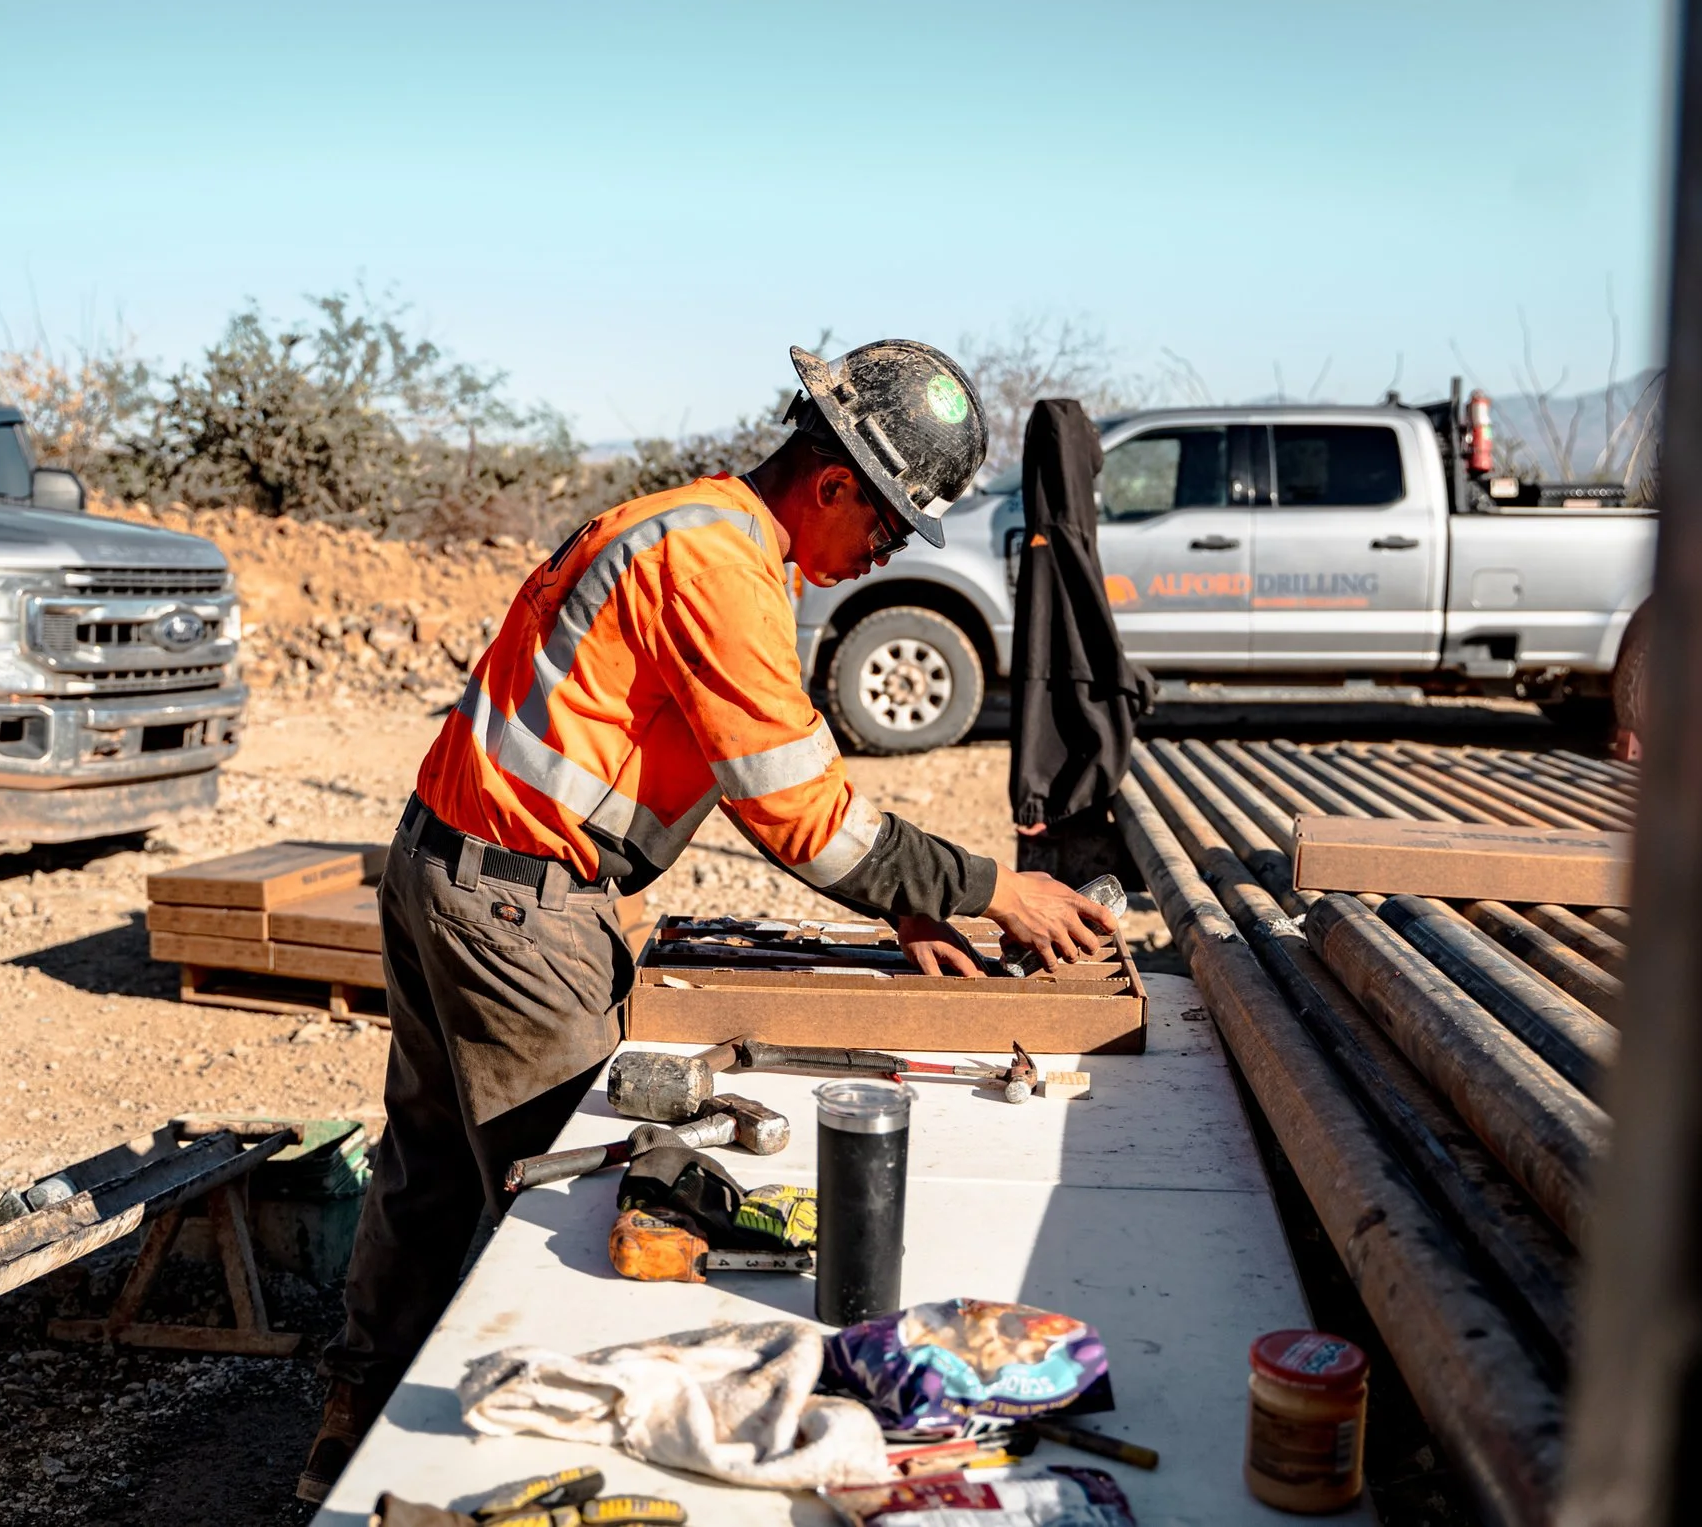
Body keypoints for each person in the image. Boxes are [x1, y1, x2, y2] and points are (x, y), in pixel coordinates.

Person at [297, 340, 1121, 1502]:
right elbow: (805, 820)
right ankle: (537, 1455)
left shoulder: (693, 531)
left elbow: (747, 779)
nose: (873, 560)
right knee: (577, 1208)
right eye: (883, 531)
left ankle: (351, 1424)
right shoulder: (720, 566)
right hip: (516, 911)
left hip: (451, 866)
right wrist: (994, 887)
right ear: (832, 481)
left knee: (428, 1166)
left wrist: (903, 905)